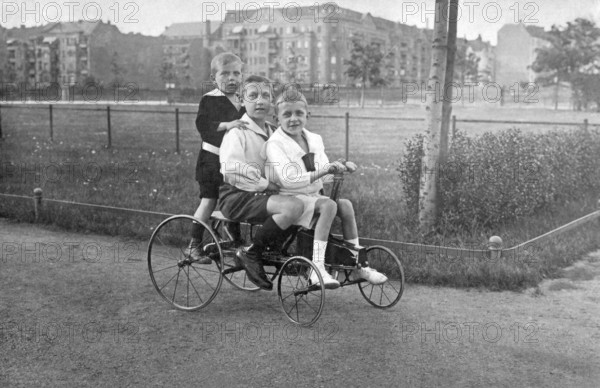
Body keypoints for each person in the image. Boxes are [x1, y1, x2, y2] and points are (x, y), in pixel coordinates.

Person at [264, 90, 388, 287]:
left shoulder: (314, 139)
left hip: (313, 196)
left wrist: (340, 167)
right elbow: (289, 180)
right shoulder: (275, 144)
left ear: (307, 115)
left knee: (345, 205)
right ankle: (317, 267)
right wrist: (324, 171)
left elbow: (325, 173)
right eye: (287, 114)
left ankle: (357, 265)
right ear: (276, 118)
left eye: (299, 113)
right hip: (291, 199)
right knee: (329, 206)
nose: (293, 119)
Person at [218, 75, 305, 291]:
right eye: (253, 96)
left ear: (272, 101)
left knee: (306, 201)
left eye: (266, 96)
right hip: (237, 196)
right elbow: (232, 169)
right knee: (292, 206)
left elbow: (292, 159)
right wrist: (265, 184)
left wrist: (318, 171)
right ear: (241, 100)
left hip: (261, 195)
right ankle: (252, 253)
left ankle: (273, 248)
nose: (260, 101)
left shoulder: (274, 131)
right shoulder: (237, 132)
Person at [186, 52, 248, 264]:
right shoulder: (210, 99)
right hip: (211, 161)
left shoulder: (242, 100)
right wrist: (226, 125)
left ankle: (235, 240)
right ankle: (193, 245)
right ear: (214, 78)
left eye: (236, 73)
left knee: (237, 197)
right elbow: (203, 126)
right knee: (209, 200)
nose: (232, 78)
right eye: (225, 74)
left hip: (235, 162)